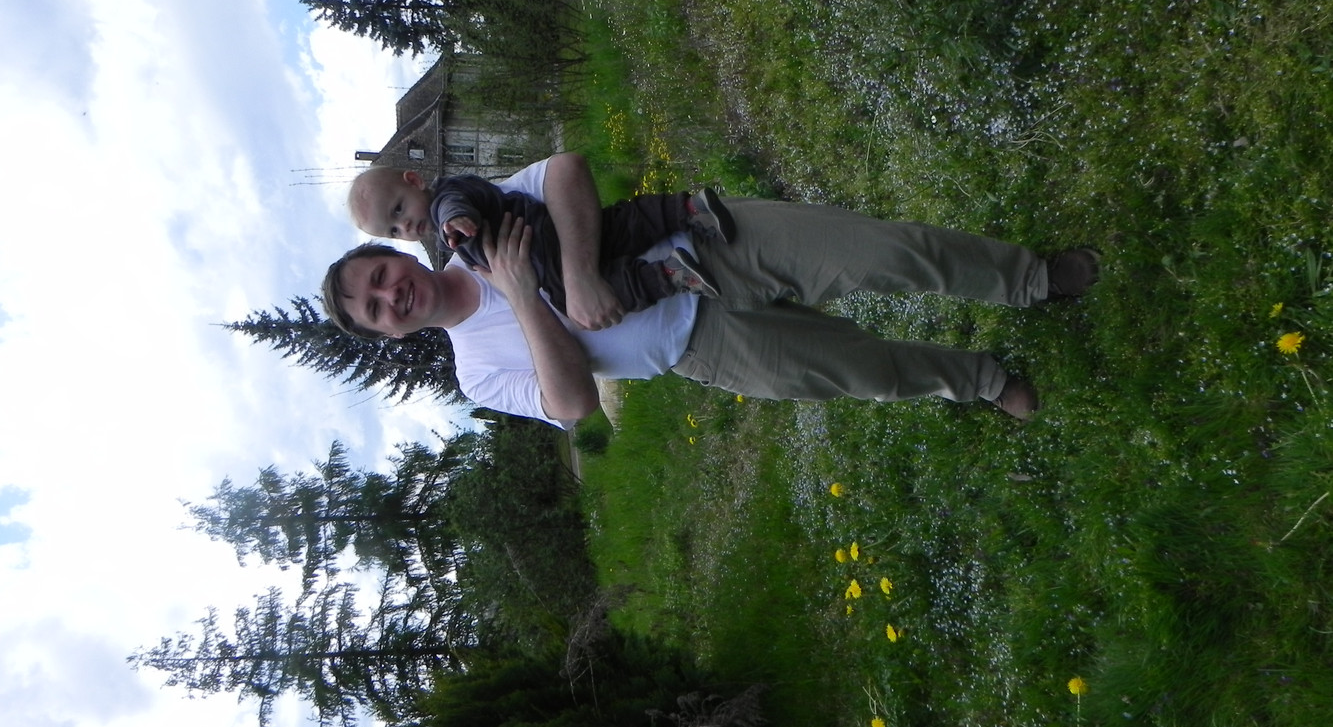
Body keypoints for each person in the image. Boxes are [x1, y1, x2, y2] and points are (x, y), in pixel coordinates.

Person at [323, 153, 1099, 426]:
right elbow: (573, 405)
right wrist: (525, 297)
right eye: (375, 310)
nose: (390, 296)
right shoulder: (476, 373)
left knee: (888, 253)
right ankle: (984, 381)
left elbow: (563, 172)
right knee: (869, 372)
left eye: (379, 277)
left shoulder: (476, 222)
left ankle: (1032, 279)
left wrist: (581, 273)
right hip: (703, 347)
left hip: (711, 241)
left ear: (397, 256)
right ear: (389, 334)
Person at [346, 165, 736, 312]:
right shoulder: (445, 228)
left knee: (569, 297)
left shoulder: (445, 202)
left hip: (537, 251)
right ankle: (687, 210)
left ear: (414, 180)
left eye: (398, 210)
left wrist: (454, 219)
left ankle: (667, 276)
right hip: (542, 230)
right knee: (618, 227)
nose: (405, 226)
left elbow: (455, 205)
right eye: (394, 231)